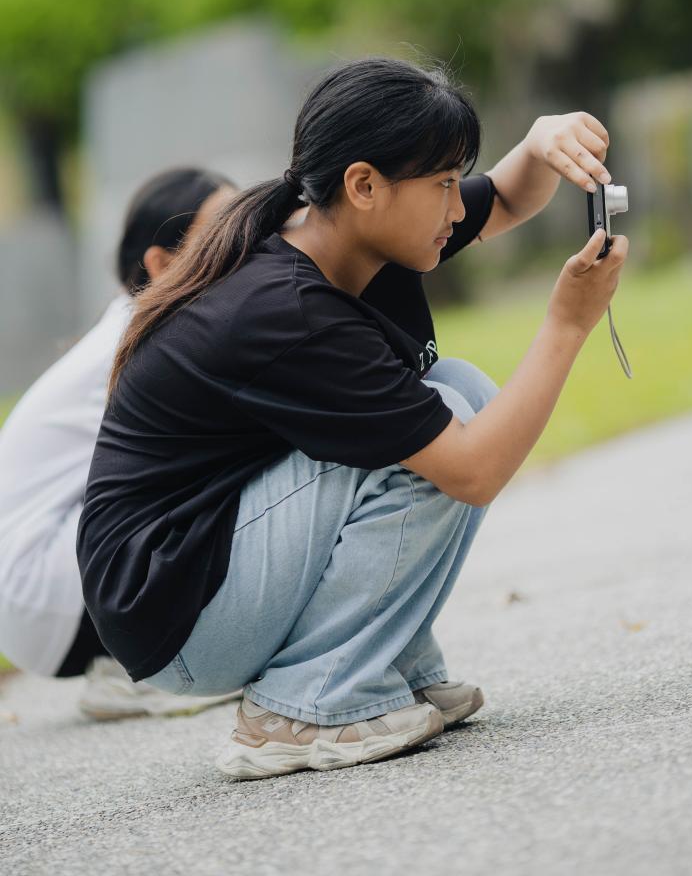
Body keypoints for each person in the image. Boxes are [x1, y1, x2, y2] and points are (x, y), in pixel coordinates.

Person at [77, 57, 628, 779]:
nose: (456, 208)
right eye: (440, 184)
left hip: (204, 574)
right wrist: (566, 326)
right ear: (364, 185)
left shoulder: (350, 232)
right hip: (178, 614)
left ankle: (384, 665)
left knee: (458, 387)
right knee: (447, 427)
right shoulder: (291, 309)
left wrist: (542, 141)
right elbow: (472, 471)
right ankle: (307, 705)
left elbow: (505, 200)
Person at [0, 167, 238, 719]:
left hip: (39, 595)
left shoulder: (136, 326)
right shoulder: (147, 339)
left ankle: (124, 662)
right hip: (42, 589)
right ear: (161, 264)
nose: (243, 243)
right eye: (221, 232)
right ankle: (140, 668)